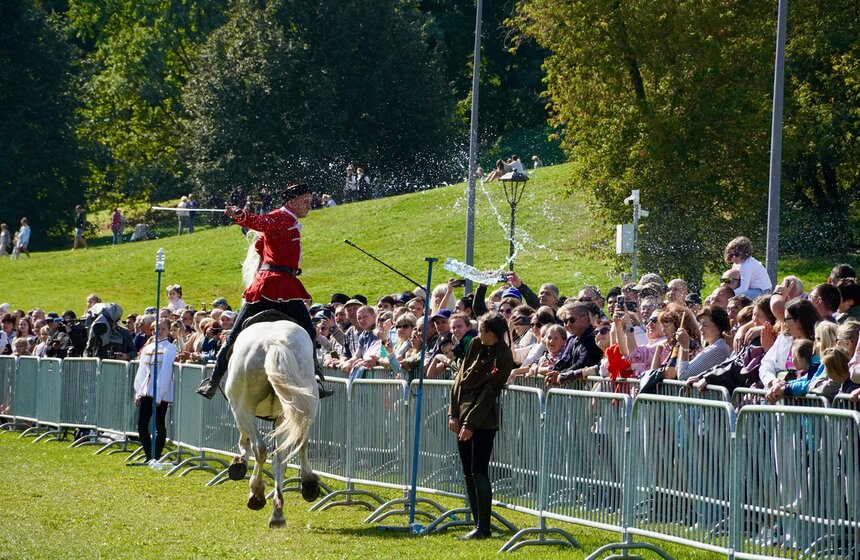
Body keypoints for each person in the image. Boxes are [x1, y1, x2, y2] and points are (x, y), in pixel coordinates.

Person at [197, 183, 332, 399]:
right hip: (272, 284)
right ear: (292, 202)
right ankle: (213, 381)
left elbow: (261, 245)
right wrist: (240, 214)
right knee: (236, 335)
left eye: (309, 201)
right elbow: (259, 222)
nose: (309, 205)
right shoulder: (279, 217)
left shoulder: (290, 222)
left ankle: (315, 378)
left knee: (306, 330)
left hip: (284, 281)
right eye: (305, 202)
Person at [448, 312, 513, 540]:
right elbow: (459, 379)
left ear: (493, 334)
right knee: (467, 471)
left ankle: (483, 527)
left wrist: (470, 423)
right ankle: (477, 523)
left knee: (478, 470)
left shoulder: (504, 355)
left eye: (484, 332)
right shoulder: (476, 343)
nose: (480, 335)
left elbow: (490, 392)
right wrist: (453, 413)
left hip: (483, 418)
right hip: (463, 409)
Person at [133, 320, 177, 462]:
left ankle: (156, 456)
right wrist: (139, 391)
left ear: (168, 330)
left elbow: (165, 371)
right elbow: (142, 371)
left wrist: (159, 395)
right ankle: (149, 455)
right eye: (156, 329)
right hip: (146, 390)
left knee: (159, 424)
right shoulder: (148, 348)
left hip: (160, 392)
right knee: (142, 425)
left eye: (163, 329)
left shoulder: (170, 348)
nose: (159, 331)